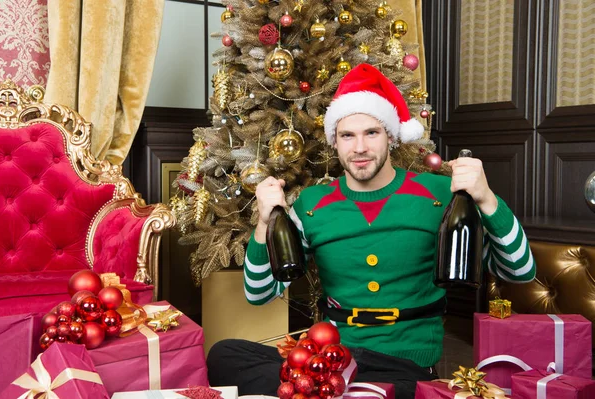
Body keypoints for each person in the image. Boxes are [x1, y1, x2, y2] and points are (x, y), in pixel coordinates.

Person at [207, 63, 536, 399]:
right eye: (347, 135)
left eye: (371, 133)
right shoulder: (312, 203)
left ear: (391, 137)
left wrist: (486, 198)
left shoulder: (439, 194)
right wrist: (264, 222)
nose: (359, 147)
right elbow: (259, 293)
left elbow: (520, 270)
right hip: (332, 361)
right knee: (224, 355)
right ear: (334, 141)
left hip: (406, 365)